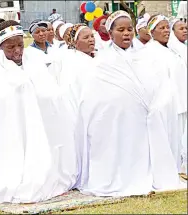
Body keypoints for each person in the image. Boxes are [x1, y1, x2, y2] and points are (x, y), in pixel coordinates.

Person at [76, 10, 183, 197]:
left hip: (144, 117)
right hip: (116, 119)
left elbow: (157, 83)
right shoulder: (102, 61)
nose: (126, 33)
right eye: (121, 30)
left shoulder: (146, 56)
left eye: (129, 29)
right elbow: (94, 96)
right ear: (110, 33)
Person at [0, 20, 78, 203]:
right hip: (9, 126)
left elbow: (50, 91)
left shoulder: (34, 61)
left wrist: (35, 96)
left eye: (20, 45)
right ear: (1, 47)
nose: (17, 51)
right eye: (11, 47)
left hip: (39, 123)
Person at [143, 14, 187, 173]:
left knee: (178, 140)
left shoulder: (171, 48)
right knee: (168, 139)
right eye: (161, 28)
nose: (166, 31)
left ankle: (177, 168)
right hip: (165, 105)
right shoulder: (150, 51)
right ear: (152, 32)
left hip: (180, 102)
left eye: (167, 27)